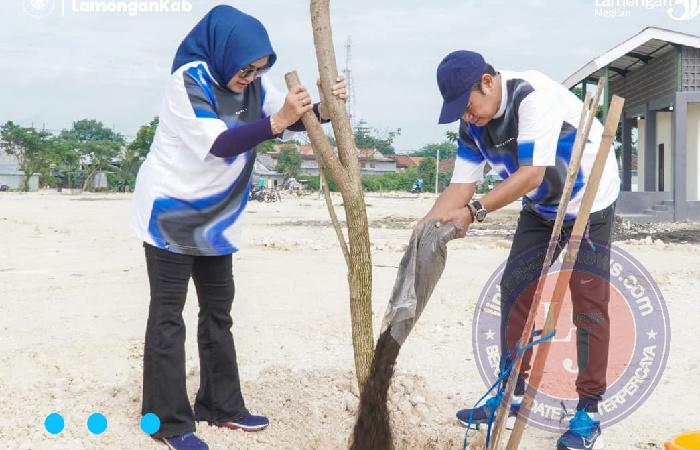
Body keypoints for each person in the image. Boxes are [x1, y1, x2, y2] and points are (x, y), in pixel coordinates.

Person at [129, 6, 346, 450]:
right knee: (168, 318)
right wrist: (278, 121)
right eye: (246, 68)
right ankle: (167, 423)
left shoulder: (254, 87)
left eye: (258, 69)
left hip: (217, 222)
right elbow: (220, 144)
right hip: (171, 212)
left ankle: (220, 405)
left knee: (218, 313)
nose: (250, 77)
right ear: (225, 52)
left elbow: (288, 120)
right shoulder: (188, 81)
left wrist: (324, 106)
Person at [421, 51, 619, 450]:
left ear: (489, 83)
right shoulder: (472, 126)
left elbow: (530, 174)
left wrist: (473, 214)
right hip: (542, 206)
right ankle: (511, 392)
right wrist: (425, 228)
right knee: (515, 291)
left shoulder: (533, 96)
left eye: (469, 105)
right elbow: (461, 188)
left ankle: (590, 410)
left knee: (588, 303)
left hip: (588, 199)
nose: (468, 115)